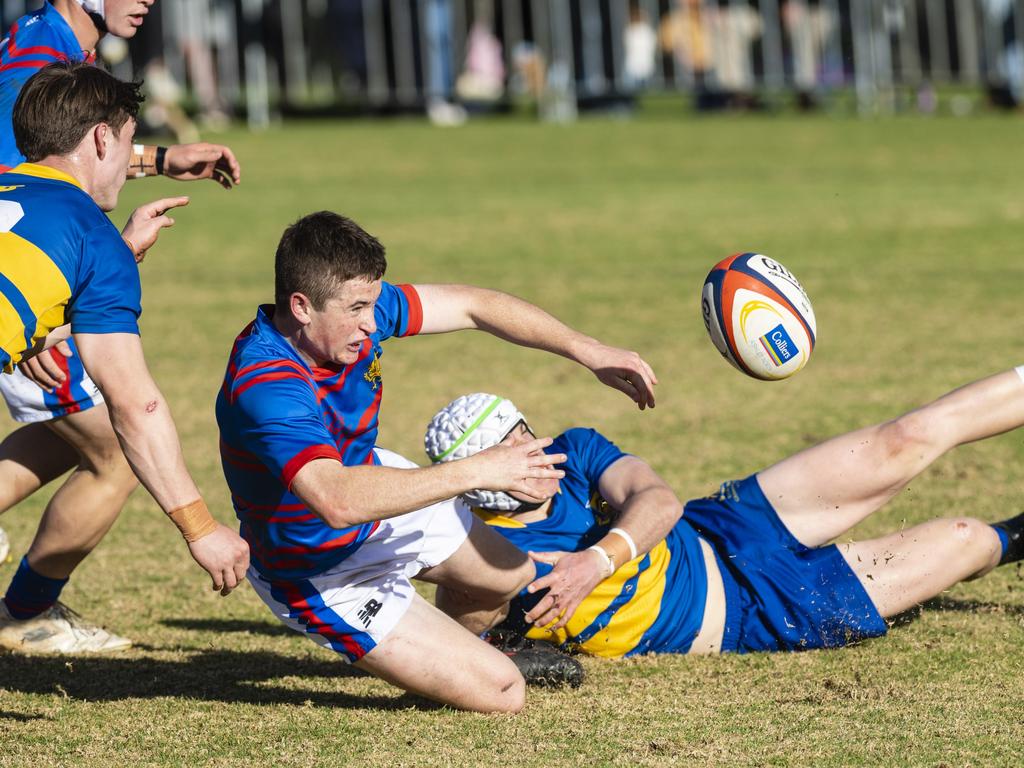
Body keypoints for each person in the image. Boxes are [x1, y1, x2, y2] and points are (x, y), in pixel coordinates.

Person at [216, 210, 657, 713]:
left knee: (508, 574)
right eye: (358, 309)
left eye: (374, 304)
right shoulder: (266, 385)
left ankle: (461, 654)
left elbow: (473, 305)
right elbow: (335, 500)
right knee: (504, 693)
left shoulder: (353, 316)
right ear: (301, 307)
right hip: (317, 567)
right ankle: (456, 665)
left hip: (373, 488)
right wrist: (482, 469)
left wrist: (587, 349)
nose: (371, 321)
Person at [424, 369, 1024, 657]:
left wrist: (594, 562)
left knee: (903, 438)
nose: (535, 453)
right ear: (480, 486)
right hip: (746, 613)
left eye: (525, 433)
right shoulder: (481, 547)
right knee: (965, 537)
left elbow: (659, 501)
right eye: (512, 455)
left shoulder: (573, 448)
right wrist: (499, 636)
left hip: (724, 524)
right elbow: (456, 628)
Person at [0, 0, 242, 654]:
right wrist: (201, 528)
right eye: (130, 142)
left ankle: (22, 614)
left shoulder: (49, 69)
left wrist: (37, 320)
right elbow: (137, 403)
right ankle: (24, 616)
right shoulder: (32, 58)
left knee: (82, 445)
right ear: (107, 140)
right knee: (111, 450)